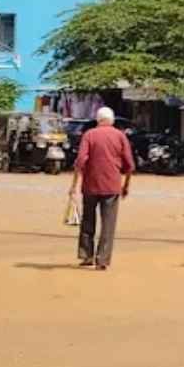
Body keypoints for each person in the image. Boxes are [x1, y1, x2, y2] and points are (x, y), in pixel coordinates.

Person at [70, 107, 135, 270]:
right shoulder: (120, 136)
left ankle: (86, 256)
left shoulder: (89, 135)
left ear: (98, 120)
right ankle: (103, 259)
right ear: (111, 120)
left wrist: (74, 185)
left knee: (87, 221)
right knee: (108, 224)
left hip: (90, 185)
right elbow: (129, 164)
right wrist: (126, 185)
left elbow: (80, 161)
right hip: (112, 186)